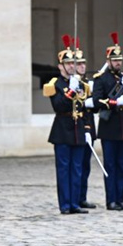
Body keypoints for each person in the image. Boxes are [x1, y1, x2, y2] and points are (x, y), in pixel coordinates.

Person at [43, 34, 90, 214]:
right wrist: (70, 90)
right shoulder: (55, 84)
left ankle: (75, 203)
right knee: (64, 170)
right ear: (60, 66)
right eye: (69, 64)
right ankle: (65, 204)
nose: (73, 66)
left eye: (74, 63)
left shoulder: (80, 83)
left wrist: (86, 128)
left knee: (77, 169)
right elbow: (59, 105)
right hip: (62, 130)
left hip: (78, 130)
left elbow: (83, 107)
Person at [91, 32, 123, 211]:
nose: (118, 63)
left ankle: (120, 199)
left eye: (119, 60)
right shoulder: (102, 78)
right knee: (110, 165)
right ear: (108, 61)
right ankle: (111, 200)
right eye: (114, 60)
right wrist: (114, 102)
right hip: (109, 127)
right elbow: (96, 100)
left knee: (122, 165)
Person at [74, 38, 97, 210]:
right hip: (76, 128)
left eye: (83, 63)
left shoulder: (88, 83)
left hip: (89, 127)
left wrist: (92, 101)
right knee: (76, 166)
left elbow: (94, 108)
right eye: (79, 63)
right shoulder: (72, 84)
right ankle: (74, 198)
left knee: (85, 166)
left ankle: (82, 196)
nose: (82, 66)